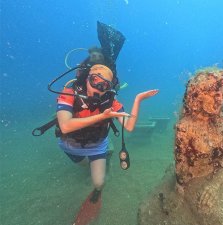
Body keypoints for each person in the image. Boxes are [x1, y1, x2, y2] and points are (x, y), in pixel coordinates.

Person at [56, 64, 159, 202]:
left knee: (99, 183)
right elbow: (65, 126)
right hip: (70, 143)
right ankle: (93, 162)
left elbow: (129, 126)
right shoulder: (68, 94)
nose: (98, 87)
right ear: (87, 79)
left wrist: (138, 99)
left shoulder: (111, 102)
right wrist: (102, 117)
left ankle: (98, 184)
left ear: (109, 87)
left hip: (96, 144)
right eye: (95, 80)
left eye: (104, 85)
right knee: (83, 164)